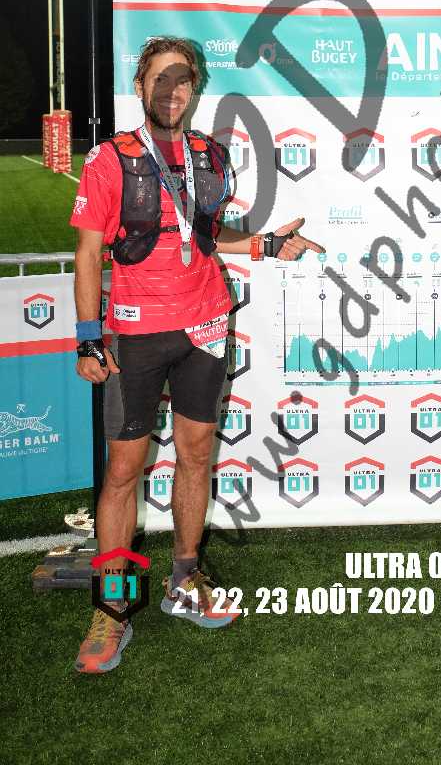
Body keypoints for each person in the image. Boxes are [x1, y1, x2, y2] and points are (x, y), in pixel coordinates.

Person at [70, 35, 324, 674]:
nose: (171, 91)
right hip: (135, 334)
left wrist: (265, 245)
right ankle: (112, 608)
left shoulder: (210, 155)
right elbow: (89, 252)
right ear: (140, 86)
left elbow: (205, 235)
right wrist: (87, 334)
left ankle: (185, 578)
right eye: (160, 78)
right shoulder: (111, 159)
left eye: (182, 79)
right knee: (124, 470)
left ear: (194, 89)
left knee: (195, 455)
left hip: (206, 325)